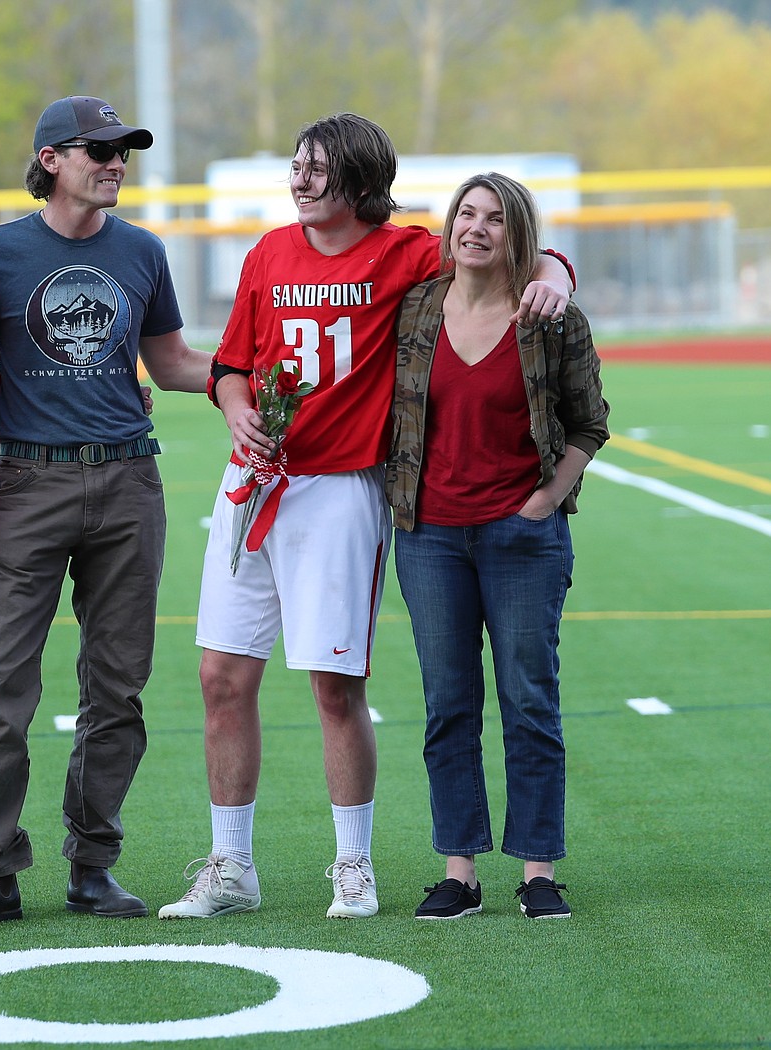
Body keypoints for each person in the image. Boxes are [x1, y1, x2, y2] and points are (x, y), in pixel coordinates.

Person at [158, 114, 575, 922]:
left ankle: (354, 865)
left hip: (342, 487)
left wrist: (554, 266)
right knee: (220, 676)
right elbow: (236, 366)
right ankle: (230, 866)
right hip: (254, 484)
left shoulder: (407, 251)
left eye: (318, 168)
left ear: (358, 178)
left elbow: (499, 252)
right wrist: (235, 411)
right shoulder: (267, 252)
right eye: (297, 166)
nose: (301, 180)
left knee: (334, 685)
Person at [0, 96, 212, 928]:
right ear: (52, 158)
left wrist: (251, 377)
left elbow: (170, 364)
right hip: (26, 484)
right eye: (100, 149)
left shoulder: (143, 251)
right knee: (0, 688)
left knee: (117, 690)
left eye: (124, 150)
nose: (116, 162)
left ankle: (94, 865)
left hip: (129, 484)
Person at [386, 172, 609, 920]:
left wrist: (547, 499)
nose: (475, 229)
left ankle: (538, 872)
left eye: (493, 220)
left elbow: (590, 423)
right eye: (465, 215)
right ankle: (460, 871)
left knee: (528, 701)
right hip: (430, 538)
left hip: (522, 538)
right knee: (448, 704)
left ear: (518, 234)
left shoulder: (550, 317)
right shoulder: (415, 309)